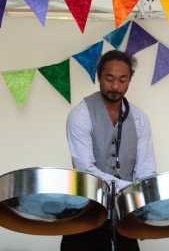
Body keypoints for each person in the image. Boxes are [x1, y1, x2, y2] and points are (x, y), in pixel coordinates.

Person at [62, 50, 156, 251]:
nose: (115, 86)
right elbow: (85, 169)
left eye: (123, 80)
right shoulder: (80, 115)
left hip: (124, 216)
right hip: (86, 215)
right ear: (98, 77)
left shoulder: (140, 119)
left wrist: (143, 205)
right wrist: (129, 189)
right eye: (109, 79)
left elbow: (146, 170)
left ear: (130, 80)